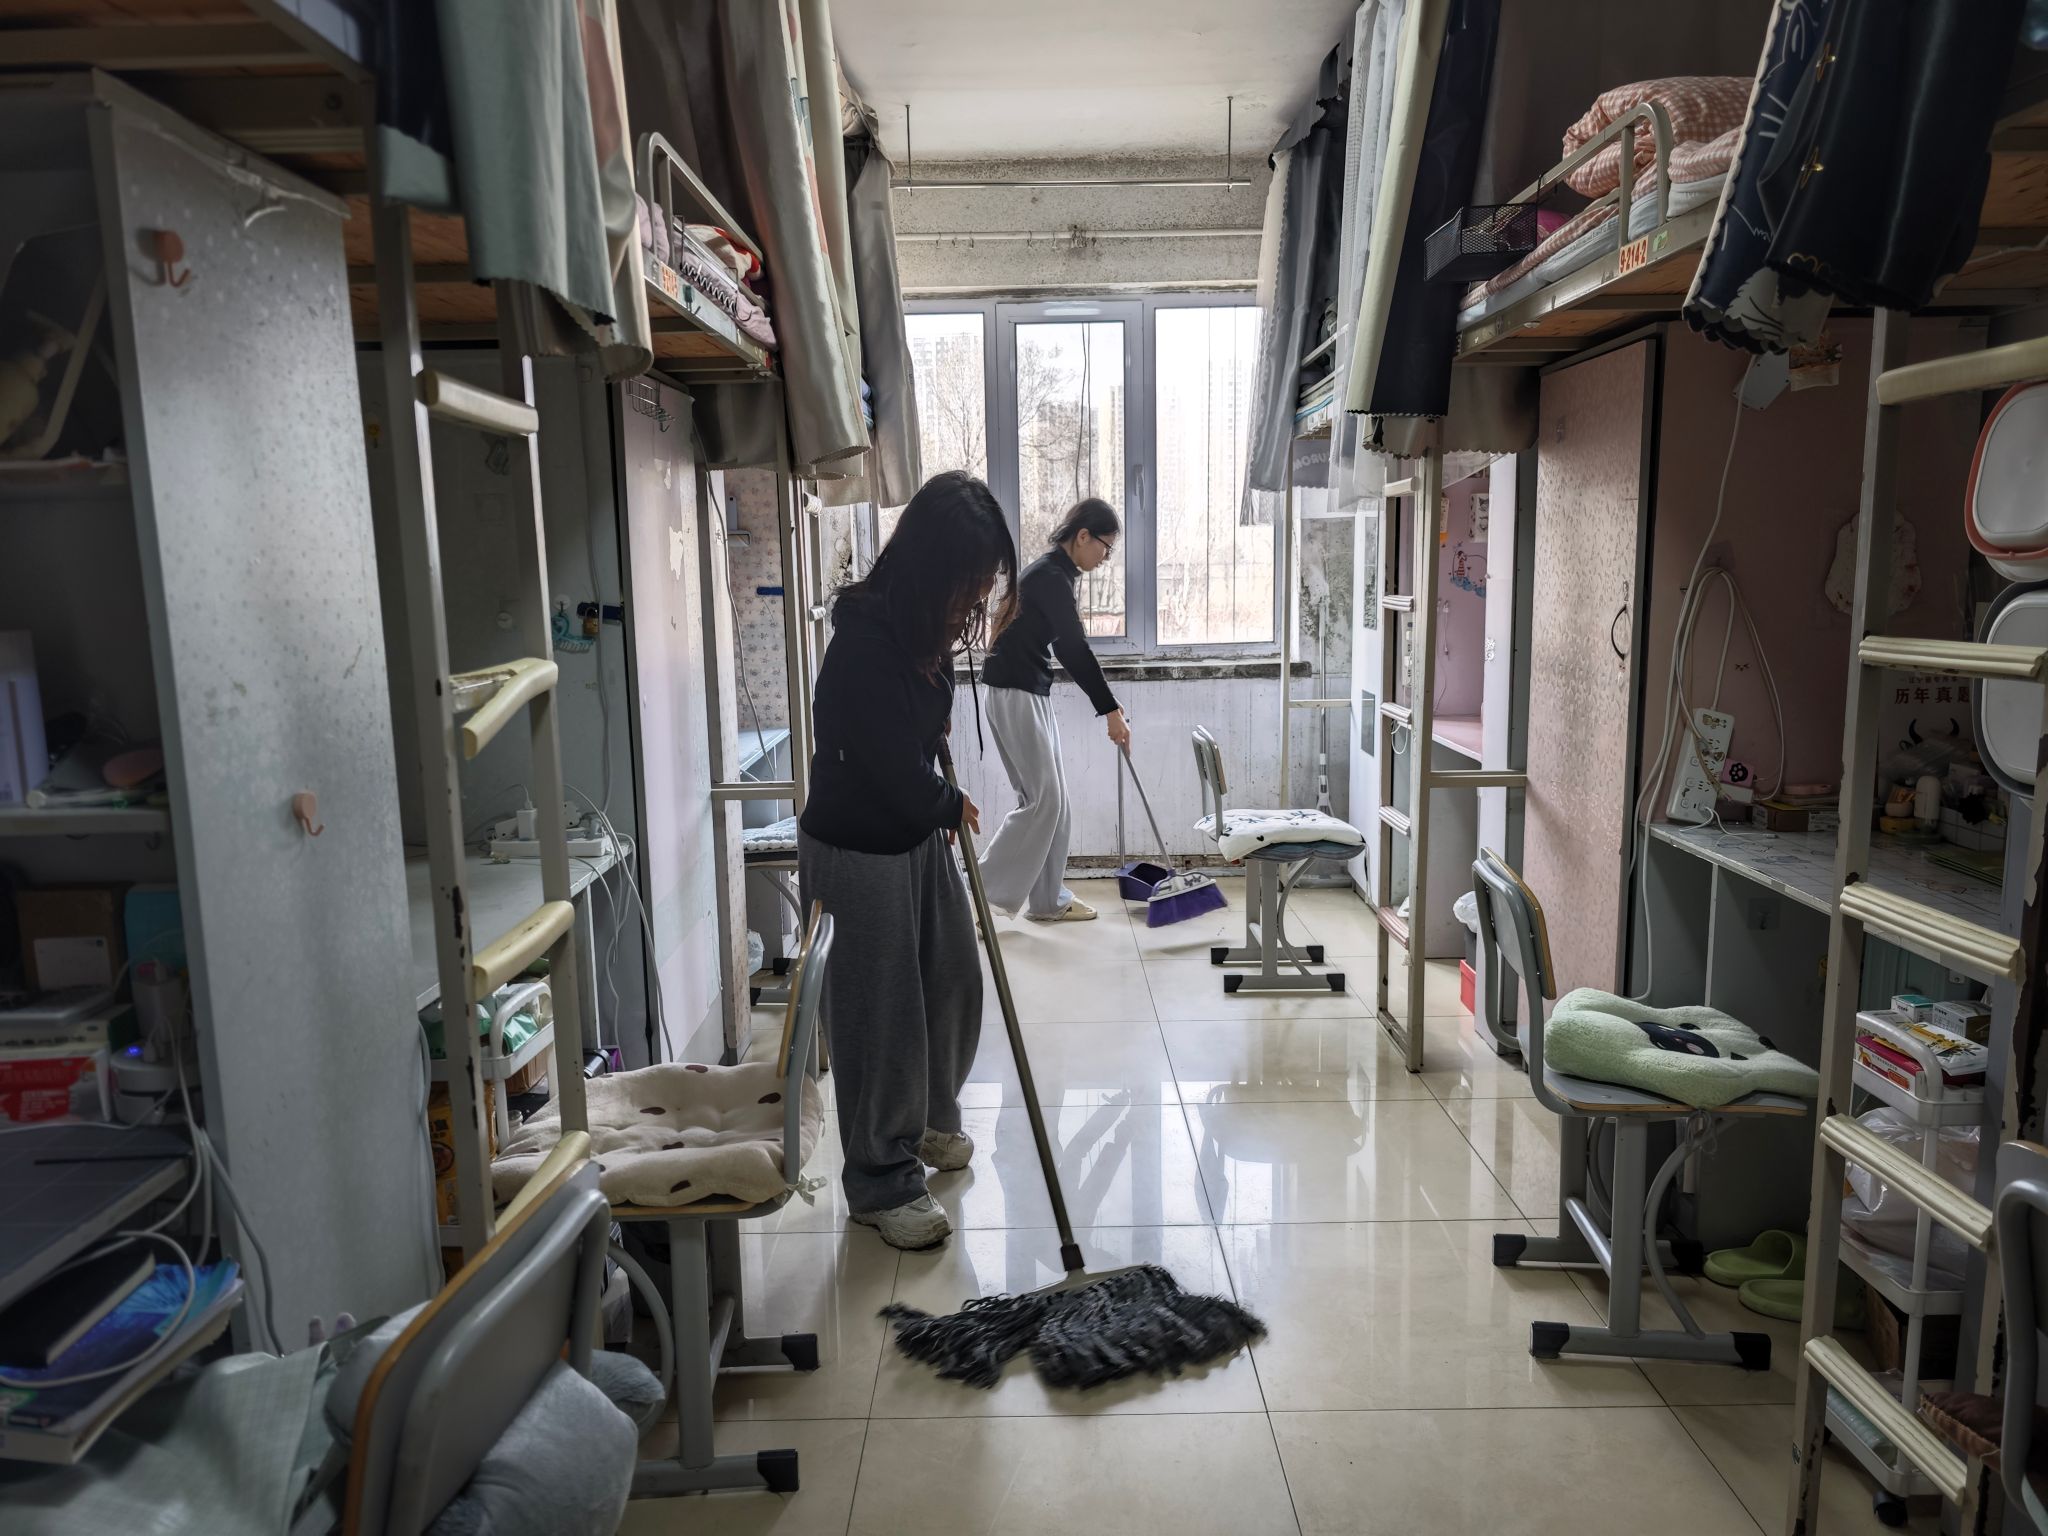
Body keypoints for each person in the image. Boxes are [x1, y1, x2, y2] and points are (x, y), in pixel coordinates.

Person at [797, 470, 1018, 1251]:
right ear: (932, 567)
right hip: (858, 845)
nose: (979, 595)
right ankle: (880, 1179)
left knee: (952, 979)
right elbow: (888, 768)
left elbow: (915, 735)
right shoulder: (863, 644)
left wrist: (934, 751)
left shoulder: (921, 630)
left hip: (911, 834)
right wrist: (945, 802)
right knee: (880, 1015)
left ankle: (920, 1121)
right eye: (971, 579)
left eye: (986, 581)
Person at [976, 496, 1130, 921]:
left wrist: (1110, 706)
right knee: (1042, 801)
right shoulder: (1049, 576)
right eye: (1105, 547)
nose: (1106, 557)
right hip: (1014, 690)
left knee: (1053, 800)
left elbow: (1064, 646)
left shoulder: (1056, 574)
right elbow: (1073, 648)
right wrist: (1110, 710)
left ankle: (1048, 900)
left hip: (1026, 689)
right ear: (1082, 536)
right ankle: (976, 896)